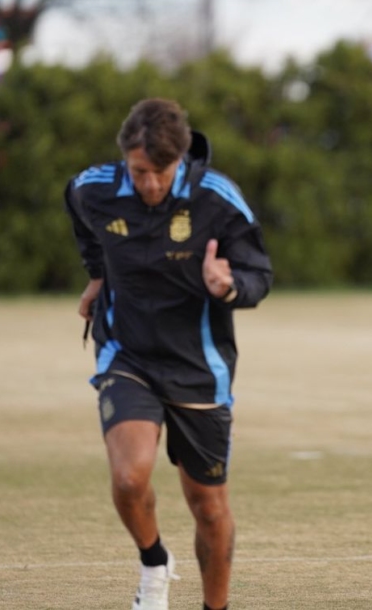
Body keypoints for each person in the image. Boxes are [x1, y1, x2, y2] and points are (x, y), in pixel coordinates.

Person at [64, 98, 273, 610]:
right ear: (125, 160)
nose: (150, 185)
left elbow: (258, 276)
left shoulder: (218, 199)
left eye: (160, 173)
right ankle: (154, 563)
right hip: (126, 356)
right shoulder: (95, 188)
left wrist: (228, 286)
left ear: (180, 159)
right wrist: (97, 274)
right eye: (139, 172)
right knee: (129, 476)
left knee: (207, 505)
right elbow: (74, 204)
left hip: (199, 366)